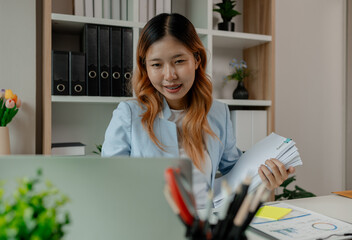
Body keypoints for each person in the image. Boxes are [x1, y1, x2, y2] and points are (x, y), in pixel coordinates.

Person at [102, 13, 295, 208]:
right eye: (156, 65)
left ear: (196, 59)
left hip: (204, 226)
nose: (169, 75)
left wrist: (264, 178)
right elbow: (108, 184)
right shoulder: (128, 115)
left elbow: (235, 173)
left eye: (179, 61)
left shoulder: (218, 112)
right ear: (145, 67)